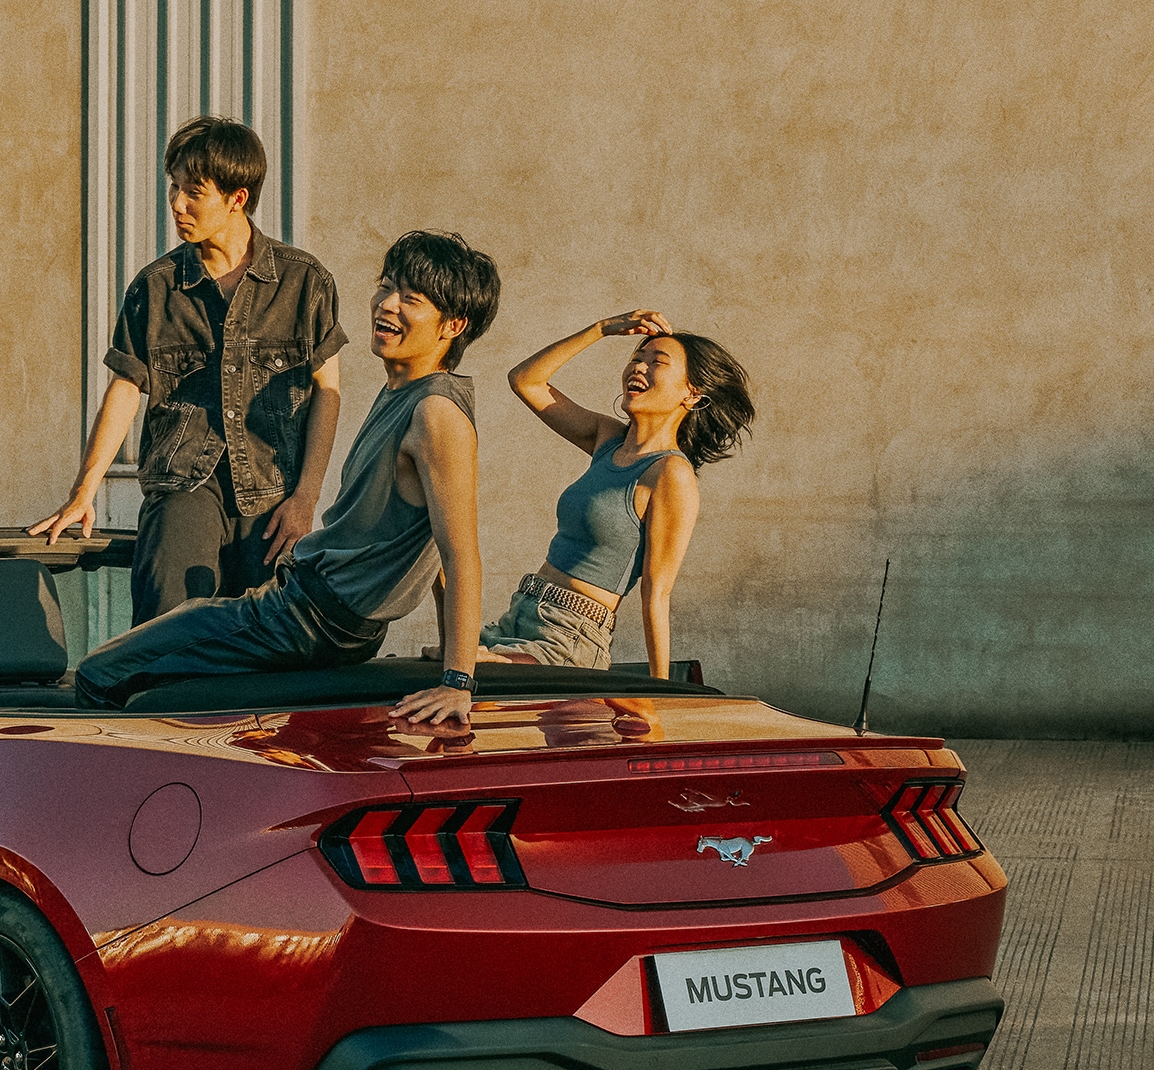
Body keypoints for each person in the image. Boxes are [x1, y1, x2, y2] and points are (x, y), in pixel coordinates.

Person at [73, 232, 500, 733]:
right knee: (181, 675)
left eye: (411, 299)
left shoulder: (435, 414)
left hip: (312, 619)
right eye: (386, 287)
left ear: (453, 324)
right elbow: (433, 546)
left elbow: (459, 552)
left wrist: (457, 680)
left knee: (101, 672)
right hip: (305, 605)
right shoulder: (402, 394)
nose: (386, 305)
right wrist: (452, 648)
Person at [31, 116, 346, 623]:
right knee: (166, 631)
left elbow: (326, 393)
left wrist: (306, 498)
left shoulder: (305, 282)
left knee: (266, 641)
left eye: (193, 193)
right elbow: (126, 386)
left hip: (272, 500)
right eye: (173, 188)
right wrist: (84, 489)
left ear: (237, 198)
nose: (177, 204)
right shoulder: (155, 287)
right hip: (181, 486)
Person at [485, 311, 755, 679]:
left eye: (657, 362)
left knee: (466, 681)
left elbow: (656, 594)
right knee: (431, 676)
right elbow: (525, 380)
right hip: (517, 617)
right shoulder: (607, 438)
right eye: (636, 358)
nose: (639, 367)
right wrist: (600, 329)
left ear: (691, 394)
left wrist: (660, 689)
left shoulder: (670, 474)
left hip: (567, 639)